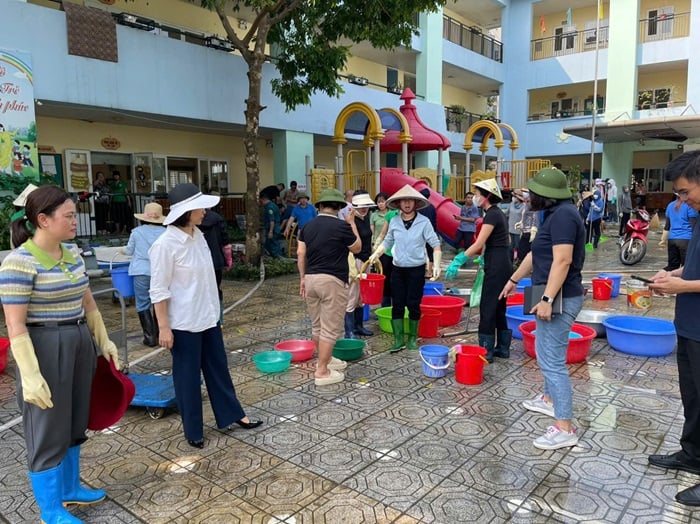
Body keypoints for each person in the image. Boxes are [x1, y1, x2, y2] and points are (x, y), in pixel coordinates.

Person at [0, 185, 121, 523]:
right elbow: (15, 324)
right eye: (68, 216)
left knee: (74, 418)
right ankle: (50, 510)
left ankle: (70, 488)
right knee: (47, 426)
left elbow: (89, 303)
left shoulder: (72, 254)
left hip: (79, 340)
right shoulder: (18, 263)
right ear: (43, 219)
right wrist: (30, 374)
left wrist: (104, 341)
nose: (75, 222)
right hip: (43, 346)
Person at [149, 183, 262, 449]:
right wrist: (163, 327)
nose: (205, 211)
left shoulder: (198, 235)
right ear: (186, 211)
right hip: (184, 323)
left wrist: (216, 313)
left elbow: (208, 281)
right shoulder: (165, 245)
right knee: (187, 378)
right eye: (200, 207)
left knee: (218, 369)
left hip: (208, 318)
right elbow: (158, 290)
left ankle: (233, 415)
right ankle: (194, 430)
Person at [500, 167, 585, 450]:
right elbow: (536, 253)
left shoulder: (563, 217)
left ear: (546, 196)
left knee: (552, 361)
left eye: (533, 193)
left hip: (558, 295)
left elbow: (563, 261)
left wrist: (548, 300)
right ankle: (548, 399)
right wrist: (514, 280)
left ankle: (565, 427)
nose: (528, 197)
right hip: (544, 289)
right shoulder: (552, 214)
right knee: (546, 352)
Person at [647, 151, 700, 506]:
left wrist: (682, 287)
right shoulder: (698, 218)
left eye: (685, 191)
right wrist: (674, 275)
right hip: (689, 324)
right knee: (693, 398)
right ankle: (692, 454)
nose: (683, 200)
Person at [297, 188, 361, 386]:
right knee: (330, 329)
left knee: (317, 325)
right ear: (340, 207)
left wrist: (302, 279)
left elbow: (300, 253)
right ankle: (322, 370)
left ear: (320, 206)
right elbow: (357, 247)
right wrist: (351, 223)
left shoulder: (307, 226)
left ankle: (327, 359)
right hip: (332, 281)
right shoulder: (342, 226)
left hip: (311, 279)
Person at [369, 185, 441, 352]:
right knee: (398, 304)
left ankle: (413, 339)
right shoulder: (394, 221)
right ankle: (398, 339)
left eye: (410, 201)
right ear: (399, 204)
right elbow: (387, 241)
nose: (407, 203)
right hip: (398, 269)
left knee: (414, 304)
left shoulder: (424, 222)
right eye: (404, 200)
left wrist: (435, 265)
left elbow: (435, 244)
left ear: (416, 203)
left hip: (416, 270)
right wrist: (377, 254)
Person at [449, 179, 511, 362]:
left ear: (487, 197)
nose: (474, 197)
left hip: (497, 265)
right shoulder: (496, 213)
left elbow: (478, 243)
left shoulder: (492, 214)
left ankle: (486, 352)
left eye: (477, 194)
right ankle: (502, 349)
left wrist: (459, 259)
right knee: (499, 306)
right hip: (501, 261)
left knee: (488, 307)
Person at [125, 202, 166, 347]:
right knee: (159, 301)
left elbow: (129, 251)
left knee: (143, 303)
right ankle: (160, 334)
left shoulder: (136, 232)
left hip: (141, 271)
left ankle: (149, 338)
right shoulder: (165, 233)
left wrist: (124, 250)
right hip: (160, 271)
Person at [345, 191, 375, 338]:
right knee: (352, 295)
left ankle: (359, 327)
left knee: (361, 297)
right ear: (354, 206)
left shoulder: (365, 218)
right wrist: (351, 223)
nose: (364, 208)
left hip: (366, 260)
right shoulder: (350, 221)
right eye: (361, 206)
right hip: (355, 260)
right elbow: (354, 243)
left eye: (366, 205)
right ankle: (349, 331)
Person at [198, 205, 233, 324]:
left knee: (199, 291)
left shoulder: (191, 221)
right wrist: (228, 260)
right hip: (216, 261)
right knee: (216, 289)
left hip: (197, 263)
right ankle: (219, 320)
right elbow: (226, 242)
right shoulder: (217, 218)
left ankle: (203, 319)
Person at [370, 192, 397, 307]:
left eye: (383, 201)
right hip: (384, 250)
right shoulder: (378, 216)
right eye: (379, 202)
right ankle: (385, 305)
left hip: (398, 252)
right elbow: (380, 234)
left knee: (397, 279)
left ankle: (397, 304)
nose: (381, 204)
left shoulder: (395, 214)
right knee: (384, 276)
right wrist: (376, 247)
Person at [660, 195, 697, 271]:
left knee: (672, 266)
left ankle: (660, 278)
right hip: (686, 240)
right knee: (686, 267)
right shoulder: (690, 206)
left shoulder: (670, 205)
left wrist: (663, 239)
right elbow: (694, 227)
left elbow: (667, 226)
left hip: (672, 240)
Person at [418, 188, 438, 277]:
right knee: (430, 252)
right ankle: (430, 271)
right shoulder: (432, 207)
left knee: (420, 250)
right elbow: (434, 220)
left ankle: (422, 270)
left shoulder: (418, 207)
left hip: (420, 232)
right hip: (430, 232)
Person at [515, 189, 538, 265]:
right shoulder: (526, 204)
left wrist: (534, 229)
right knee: (521, 249)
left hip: (530, 231)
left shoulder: (533, 205)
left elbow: (535, 217)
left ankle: (526, 266)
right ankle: (521, 263)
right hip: (525, 230)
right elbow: (525, 216)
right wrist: (521, 223)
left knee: (527, 250)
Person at [259, 191, 282, 258]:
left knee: (274, 244)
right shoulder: (273, 205)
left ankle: (278, 258)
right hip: (274, 228)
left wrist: (271, 231)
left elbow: (272, 220)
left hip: (273, 229)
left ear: (263, 199)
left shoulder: (269, 207)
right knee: (269, 244)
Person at [507, 189, 526, 263]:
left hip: (519, 231)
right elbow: (506, 214)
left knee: (518, 247)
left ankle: (519, 262)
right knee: (510, 248)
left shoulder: (524, 206)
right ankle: (510, 262)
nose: (513, 197)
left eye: (515, 196)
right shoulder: (511, 204)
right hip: (510, 229)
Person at [109, 171, 131, 235]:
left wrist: (129, 201)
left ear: (119, 176)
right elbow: (111, 193)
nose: (116, 176)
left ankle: (124, 230)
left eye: (117, 175)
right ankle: (117, 230)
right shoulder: (112, 184)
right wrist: (110, 202)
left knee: (123, 216)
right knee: (116, 216)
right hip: (115, 201)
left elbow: (126, 193)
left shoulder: (123, 183)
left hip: (123, 201)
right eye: (115, 175)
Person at [93, 171, 111, 236]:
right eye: (99, 176)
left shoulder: (105, 185)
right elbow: (93, 187)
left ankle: (105, 229)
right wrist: (98, 180)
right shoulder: (95, 184)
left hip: (105, 202)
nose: (101, 177)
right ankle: (99, 229)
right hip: (98, 202)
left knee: (105, 216)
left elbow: (109, 191)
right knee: (99, 216)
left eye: (102, 176)